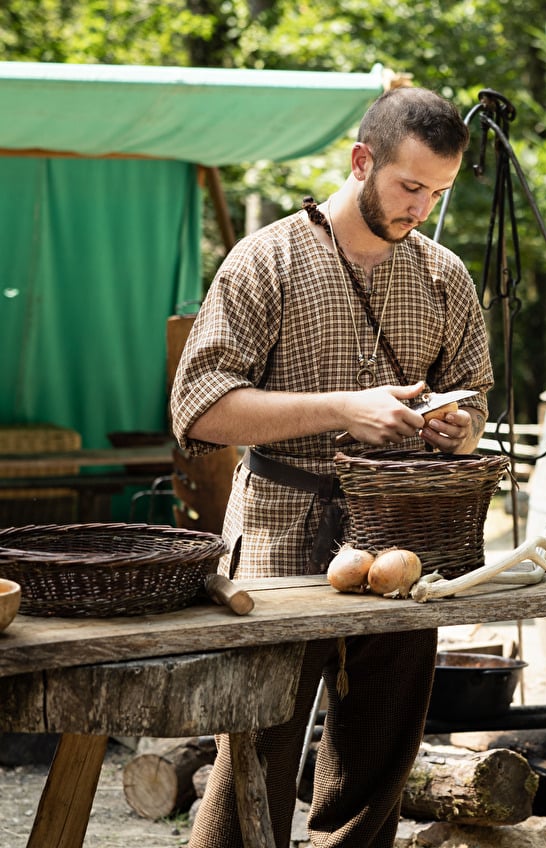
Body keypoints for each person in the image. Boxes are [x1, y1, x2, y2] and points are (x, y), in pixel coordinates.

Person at [169, 85, 492, 848]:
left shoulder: (445, 276)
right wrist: (344, 408)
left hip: (403, 542)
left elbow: (477, 401)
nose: (421, 207)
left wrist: (459, 428)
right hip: (281, 533)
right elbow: (199, 410)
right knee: (256, 750)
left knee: (380, 754)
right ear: (361, 160)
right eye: (409, 186)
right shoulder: (268, 259)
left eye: (437, 192)